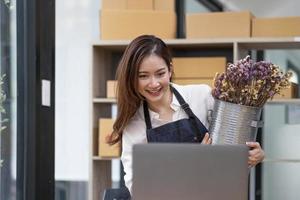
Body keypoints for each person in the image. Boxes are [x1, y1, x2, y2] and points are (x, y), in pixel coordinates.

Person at [108, 35, 265, 194]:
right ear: (132, 78)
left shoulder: (201, 96)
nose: (154, 83)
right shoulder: (134, 125)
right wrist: (195, 163)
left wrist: (251, 156)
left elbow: (231, 157)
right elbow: (138, 188)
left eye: (160, 73)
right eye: (143, 76)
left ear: (170, 69)